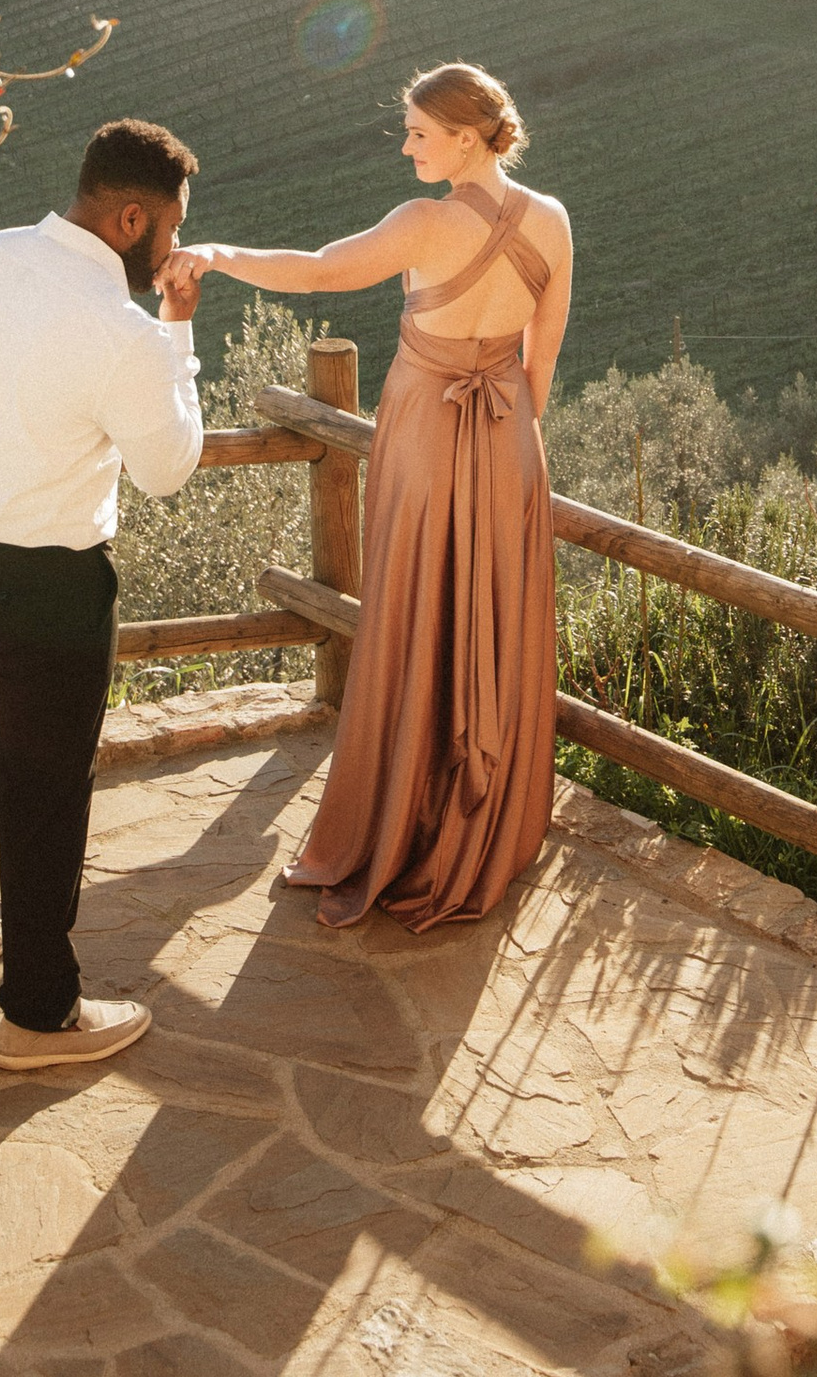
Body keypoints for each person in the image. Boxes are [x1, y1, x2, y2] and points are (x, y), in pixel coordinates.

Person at [184, 61, 569, 931]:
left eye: (419, 134)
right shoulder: (552, 220)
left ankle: (405, 821)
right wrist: (501, 445)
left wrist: (218, 256)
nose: (406, 146)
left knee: (413, 612)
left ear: (466, 138)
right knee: (491, 620)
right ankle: (484, 824)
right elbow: (541, 366)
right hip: (510, 440)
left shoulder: (425, 222)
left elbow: (320, 272)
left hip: (427, 435)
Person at [0, 116, 205, 1069]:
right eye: (175, 226)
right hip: (48, 583)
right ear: (133, 217)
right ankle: (37, 1012)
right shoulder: (123, 332)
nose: (176, 246)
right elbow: (169, 468)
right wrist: (178, 330)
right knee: (46, 787)